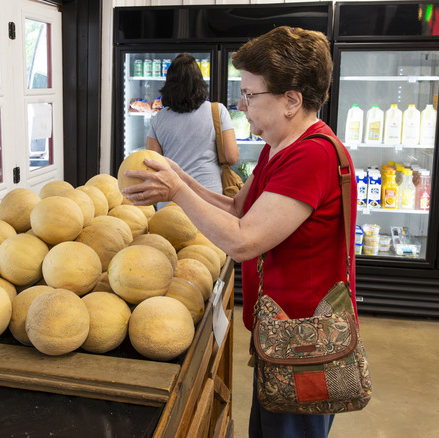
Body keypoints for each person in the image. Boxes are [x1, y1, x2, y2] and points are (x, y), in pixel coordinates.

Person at [123, 26, 358, 438]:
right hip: (279, 337)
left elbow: (244, 240)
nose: (242, 105)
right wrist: (179, 177)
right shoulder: (277, 148)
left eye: (251, 95)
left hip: (303, 345)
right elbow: (234, 208)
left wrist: (177, 190)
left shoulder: (311, 156)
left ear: (291, 101)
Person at [146, 53, 239, 204]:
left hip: (171, 199)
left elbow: (152, 164)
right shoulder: (217, 111)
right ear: (199, 82)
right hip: (209, 197)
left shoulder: (159, 119)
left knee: (172, 227)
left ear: (169, 84)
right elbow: (232, 157)